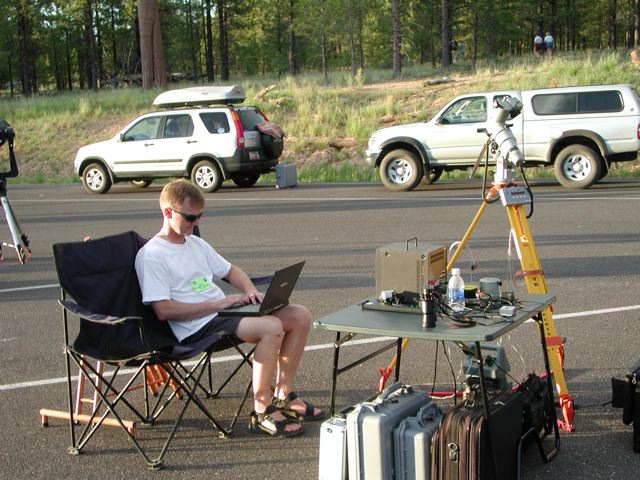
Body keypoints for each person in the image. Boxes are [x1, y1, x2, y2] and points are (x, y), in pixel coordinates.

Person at [135, 179, 323, 437]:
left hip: (221, 313)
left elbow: (231, 270)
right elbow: (164, 311)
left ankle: (283, 394)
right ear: (168, 212)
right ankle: (261, 411)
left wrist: (249, 291)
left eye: (200, 216)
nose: (196, 223)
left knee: (300, 315)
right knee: (271, 328)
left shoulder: (195, 243)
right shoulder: (152, 255)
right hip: (196, 327)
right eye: (190, 217)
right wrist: (220, 303)